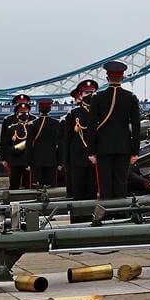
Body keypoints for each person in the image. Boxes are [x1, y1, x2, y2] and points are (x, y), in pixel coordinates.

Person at [85, 61, 140, 198]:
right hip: (124, 147)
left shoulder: (97, 98)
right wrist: (135, 151)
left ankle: (107, 216)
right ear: (122, 78)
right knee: (121, 183)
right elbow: (136, 126)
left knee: (105, 184)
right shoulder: (130, 97)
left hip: (103, 148)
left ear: (107, 78)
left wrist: (91, 151)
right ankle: (121, 215)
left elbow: (91, 126)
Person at [61, 80, 98, 215]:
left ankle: (93, 219)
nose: (91, 94)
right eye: (87, 92)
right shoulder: (74, 113)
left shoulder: (100, 110)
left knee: (92, 192)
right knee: (78, 193)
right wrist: (65, 161)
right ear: (81, 95)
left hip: (94, 158)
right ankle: (77, 220)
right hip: (77, 158)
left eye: (93, 92)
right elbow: (67, 139)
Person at [0, 95, 33, 189]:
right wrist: (4, 158)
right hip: (14, 157)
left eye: (25, 104)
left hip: (29, 158)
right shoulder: (8, 120)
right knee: (14, 182)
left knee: (29, 184)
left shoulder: (34, 119)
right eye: (20, 104)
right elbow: (4, 141)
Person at [28, 99, 61, 187]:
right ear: (50, 109)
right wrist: (60, 161)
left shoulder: (32, 124)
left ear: (39, 109)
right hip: (52, 159)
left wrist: (28, 162)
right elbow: (60, 144)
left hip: (36, 160)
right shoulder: (56, 123)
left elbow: (29, 145)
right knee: (51, 186)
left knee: (37, 186)